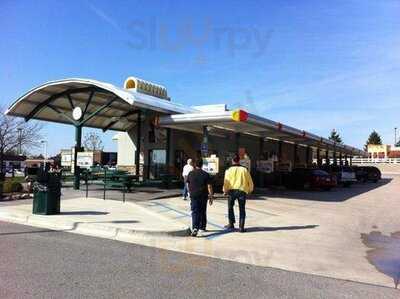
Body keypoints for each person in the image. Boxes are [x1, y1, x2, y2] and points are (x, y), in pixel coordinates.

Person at [223, 154, 254, 233]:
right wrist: (250, 190)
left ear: (232, 161)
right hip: (242, 191)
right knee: (242, 209)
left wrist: (225, 190)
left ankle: (231, 223)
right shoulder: (244, 170)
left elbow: (226, 181)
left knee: (230, 207)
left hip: (231, 191)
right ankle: (241, 227)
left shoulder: (228, 170)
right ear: (239, 160)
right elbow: (250, 181)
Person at [186, 159, 214, 236]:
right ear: (202, 165)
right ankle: (202, 226)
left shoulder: (191, 173)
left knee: (195, 211)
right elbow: (209, 186)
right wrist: (211, 196)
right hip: (203, 195)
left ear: (195, 164)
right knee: (202, 210)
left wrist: (189, 192)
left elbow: (187, 184)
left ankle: (195, 227)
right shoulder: (205, 174)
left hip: (194, 195)